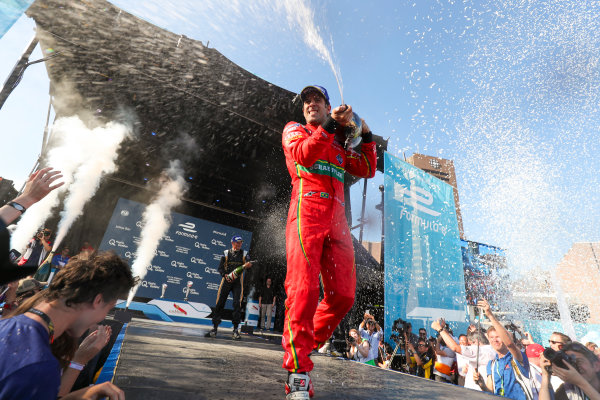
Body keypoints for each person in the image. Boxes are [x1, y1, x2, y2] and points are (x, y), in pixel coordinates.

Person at [281, 84, 377, 399]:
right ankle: (298, 373)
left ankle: (303, 344)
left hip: (336, 219)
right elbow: (304, 155)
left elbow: (367, 169)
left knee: (343, 296)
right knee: (304, 291)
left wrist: (365, 133)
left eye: (317, 100)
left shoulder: (338, 142)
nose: (311, 104)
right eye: (306, 101)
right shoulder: (295, 130)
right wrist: (331, 128)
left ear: (327, 105)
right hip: (306, 212)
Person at [0, 251, 136, 400]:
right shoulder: (39, 364)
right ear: (98, 301)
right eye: (109, 308)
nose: (103, 318)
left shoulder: (7, 325)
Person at [473, 299, 533, 400]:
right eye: (491, 337)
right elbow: (491, 391)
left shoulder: (517, 357)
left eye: (498, 337)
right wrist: (481, 384)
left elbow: (509, 344)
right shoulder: (491, 364)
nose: (495, 340)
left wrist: (490, 315)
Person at [205, 235, 252, 340]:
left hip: (237, 283)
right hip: (226, 281)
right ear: (232, 243)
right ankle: (214, 329)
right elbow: (220, 268)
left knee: (236, 304)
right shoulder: (226, 253)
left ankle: (235, 330)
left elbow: (249, 263)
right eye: (237, 242)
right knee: (220, 303)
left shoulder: (244, 253)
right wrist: (224, 275)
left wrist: (249, 265)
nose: (239, 244)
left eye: (240, 242)